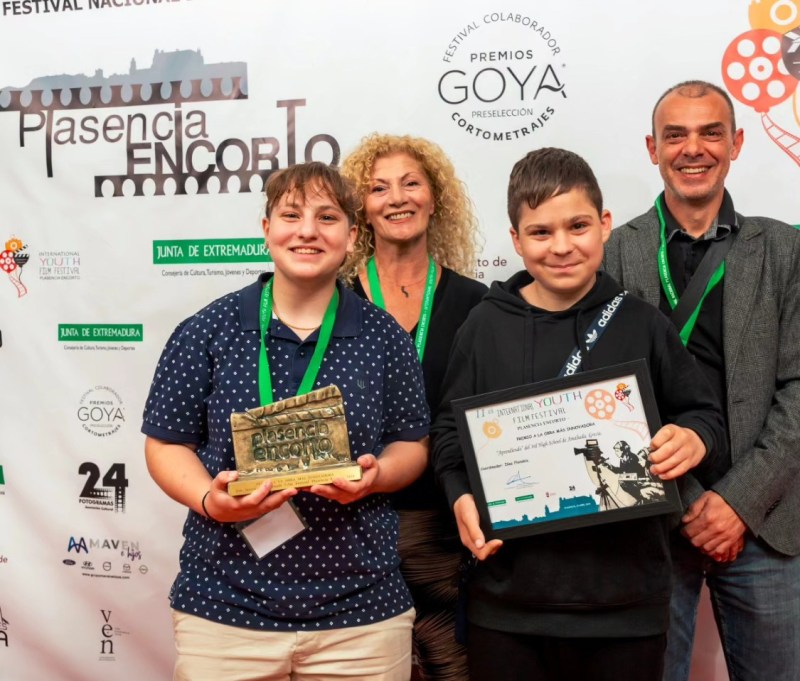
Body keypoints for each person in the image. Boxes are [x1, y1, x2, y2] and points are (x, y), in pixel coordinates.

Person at [431, 147, 726, 681]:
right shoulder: (483, 326)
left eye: (578, 226)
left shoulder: (642, 323)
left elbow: (704, 414)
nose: (562, 246)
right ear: (516, 240)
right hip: (507, 604)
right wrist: (460, 495)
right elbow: (451, 430)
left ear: (605, 224)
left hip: (625, 606)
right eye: (540, 232)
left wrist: (692, 438)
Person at [142, 162, 431, 681]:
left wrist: (377, 477)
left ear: (351, 234)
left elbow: (412, 443)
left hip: (361, 614)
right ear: (266, 228)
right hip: (225, 608)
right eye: (291, 215)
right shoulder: (208, 329)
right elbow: (165, 444)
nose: (307, 231)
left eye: (327, 217)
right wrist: (210, 499)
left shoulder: (385, 337)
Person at [603, 80, 800, 681]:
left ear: (736, 143)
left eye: (710, 133)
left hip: (763, 519)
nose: (693, 149)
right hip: (653, 518)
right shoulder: (614, 252)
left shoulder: (783, 249)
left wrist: (737, 502)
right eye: (675, 135)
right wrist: (689, 503)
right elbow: (607, 399)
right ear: (653, 148)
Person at [341, 133, 486, 681]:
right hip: (351, 527)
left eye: (410, 183)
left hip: (447, 527)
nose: (397, 198)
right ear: (361, 208)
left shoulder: (478, 303)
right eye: (378, 188)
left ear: (435, 197)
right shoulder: (333, 301)